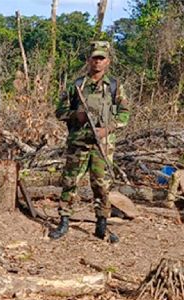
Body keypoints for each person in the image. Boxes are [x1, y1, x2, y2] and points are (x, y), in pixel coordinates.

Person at [50, 40, 130, 243]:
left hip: (102, 145)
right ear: (88, 60)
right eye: (94, 58)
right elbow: (59, 111)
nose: (97, 62)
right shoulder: (77, 86)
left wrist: (108, 129)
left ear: (107, 62)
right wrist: (75, 115)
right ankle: (64, 221)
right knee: (70, 182)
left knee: (102, 186)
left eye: (101, 58)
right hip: (78, 143)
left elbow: (124, 114)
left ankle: (101, 224)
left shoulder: (114, 87)